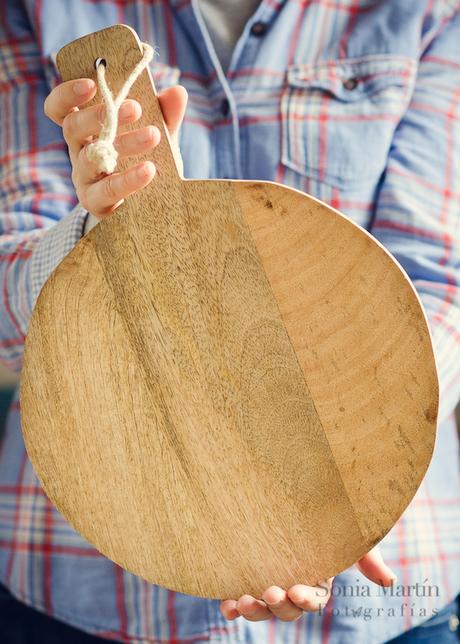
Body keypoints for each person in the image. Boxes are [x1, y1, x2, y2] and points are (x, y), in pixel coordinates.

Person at [0, 0, 459, 642]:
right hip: (87, 586)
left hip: (378, 597)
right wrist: (92, 236)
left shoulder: (429, 12)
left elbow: (440, 280)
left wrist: (362, 458)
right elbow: (6, 286)